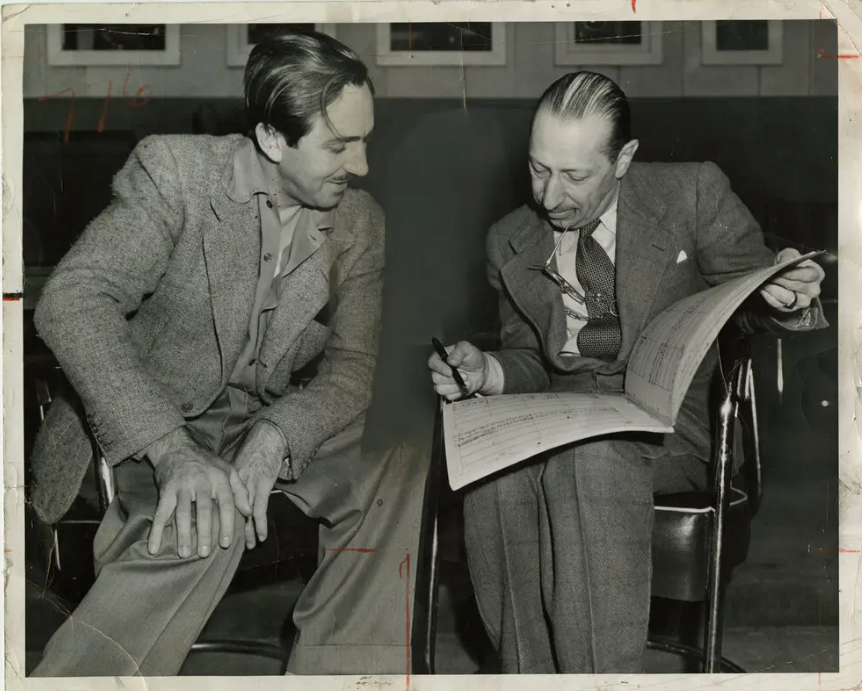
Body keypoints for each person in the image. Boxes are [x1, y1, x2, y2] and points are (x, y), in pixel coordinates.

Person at [30, 31, 427, 676]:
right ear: (272, 139)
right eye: (338, 146)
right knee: (205, 516)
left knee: (400, 447)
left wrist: (278, 433)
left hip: (261, 416)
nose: (360, 165)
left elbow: (355, 368)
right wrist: (173, 450)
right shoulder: (176, 173)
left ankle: (344, 675)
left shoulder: (361, 223)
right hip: (149, 412)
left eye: (365, 140)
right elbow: (71, 301)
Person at [427, 71, 828, 674]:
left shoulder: (691, 194)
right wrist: (485, 372)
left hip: (669, 426)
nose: (549, 197)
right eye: (538, 169)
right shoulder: (509, 239)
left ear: (623, 159)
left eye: (574, 175)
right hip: (561, 418)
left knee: (587, 461)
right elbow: (529, 358)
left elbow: (753, 296)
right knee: (498, 476)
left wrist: (787, 296)